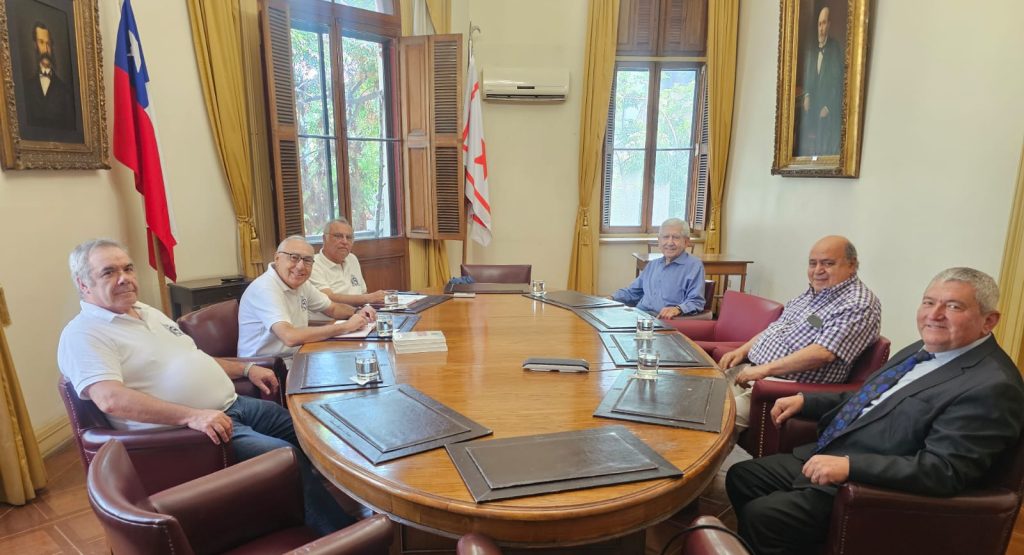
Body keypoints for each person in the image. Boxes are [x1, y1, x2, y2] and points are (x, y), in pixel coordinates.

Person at [57, 239, 353, 535]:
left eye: (128, 268)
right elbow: (110, 399)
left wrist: (246, 368)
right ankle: (341, 534)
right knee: (284, 457)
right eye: (109, 272)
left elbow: (194, 358)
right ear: (84, 285)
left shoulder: (146, 312)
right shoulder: (84, 334)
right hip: (193, 433)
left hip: (232, 405)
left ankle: (351, 499)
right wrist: (192, 416)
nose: (124, 278)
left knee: (312, 432)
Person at [726, 267, 1024, 555]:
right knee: (742, 476)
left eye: (954, 306)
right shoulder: (925, 347)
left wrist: (850, 467)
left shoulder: (992, 386)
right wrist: (807, 400)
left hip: (872, 489)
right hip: (837, 451)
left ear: (989, 321)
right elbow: (872, 393)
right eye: (929, 302)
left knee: (763, 516)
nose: (934, 315)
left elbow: (943, 470)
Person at [721, 235, 880, 430]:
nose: (818, 270)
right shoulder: (812, 294)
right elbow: (776, 328)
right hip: (754, 371)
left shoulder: (858, 304)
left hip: (782, 385)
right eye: (813, 263)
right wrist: (742, 351)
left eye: (828, 263)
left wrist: (764, 370)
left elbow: (823, 353)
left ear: (852, 265)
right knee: (696, 398)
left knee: (718, 421)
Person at [237, 235, 375, 360]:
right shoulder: (265, 288)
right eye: (294, 257)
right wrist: (345, 327)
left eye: (307, 260)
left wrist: (358, 312)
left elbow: (332, 308)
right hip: (266, 367)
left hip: (297, 355)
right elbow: (290, 337)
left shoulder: (302, 284)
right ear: (277, 258)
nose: (300, 266)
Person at [611, 218, 706, 319]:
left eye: (676, 237)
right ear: (659, 241)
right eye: (665, 237)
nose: (670, 242)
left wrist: (677, 309)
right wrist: (610, 298)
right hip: (639, 316)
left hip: (663, 322)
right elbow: (633, 292)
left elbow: (696, 301)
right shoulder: (653, 265)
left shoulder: (694, 266)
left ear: (686, 242)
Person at [308, 218, 387, 322]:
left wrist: (373, 304)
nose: (345, 241)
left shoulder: (352, 259)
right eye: (338, 236)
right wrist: (368, 298)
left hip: (359, 317)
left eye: (349, 237)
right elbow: (328, 298)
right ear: (324, 238)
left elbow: (363, 293)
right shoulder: (312, 264)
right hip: (329, 324)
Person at [796, 5, 843, 156]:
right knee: (800, 129)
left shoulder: (835, 48)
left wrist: (828, 106)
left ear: (829, 24)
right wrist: (807, 95)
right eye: (819, 24)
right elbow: (809, 79)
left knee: (824, 145)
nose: (821, 28)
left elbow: (838, 83)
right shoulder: (811, 49)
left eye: (824, 23)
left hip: (827, 109)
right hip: (812, 107)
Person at [23, 22, 75, 131]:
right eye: (41, 42)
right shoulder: (26, 88)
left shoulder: (64, 90)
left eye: (48, 43)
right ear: (35, 45)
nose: (46, 49)